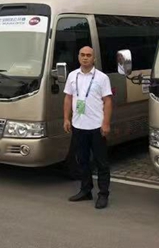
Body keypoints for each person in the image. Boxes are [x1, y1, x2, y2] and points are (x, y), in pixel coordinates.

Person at [64, 46, 113, 209]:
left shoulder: (102, 78)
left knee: (101, 162)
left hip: (97, 126)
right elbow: (68, 97)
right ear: (78, 57)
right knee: (82, 160)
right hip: (78, 125)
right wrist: (66, 118)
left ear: (94, 58)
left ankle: (103, 194)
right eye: (82, 55)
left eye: (89, 55)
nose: (85, 58)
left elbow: (107, 101)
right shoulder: (72, 76)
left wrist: (106, 123)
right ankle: (86, 190)